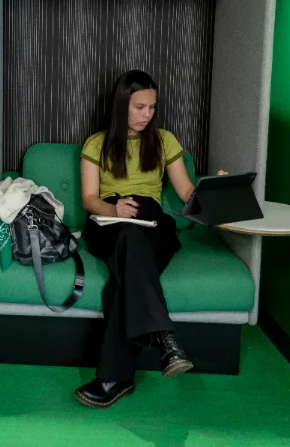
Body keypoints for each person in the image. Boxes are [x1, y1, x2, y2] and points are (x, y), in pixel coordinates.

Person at [74, 70, 224, 409]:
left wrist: (214, 191)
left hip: (152, 220)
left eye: (152, 107)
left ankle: (115, 378)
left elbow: (186, 192)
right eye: (139, 107)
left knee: (122, 282)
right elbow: (89, 199)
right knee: (127, 233)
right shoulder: (96, 143)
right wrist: (114, 209)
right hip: (109, 221)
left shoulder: (165, 140)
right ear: (121, 105)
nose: (147, 115)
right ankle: (165, 338)